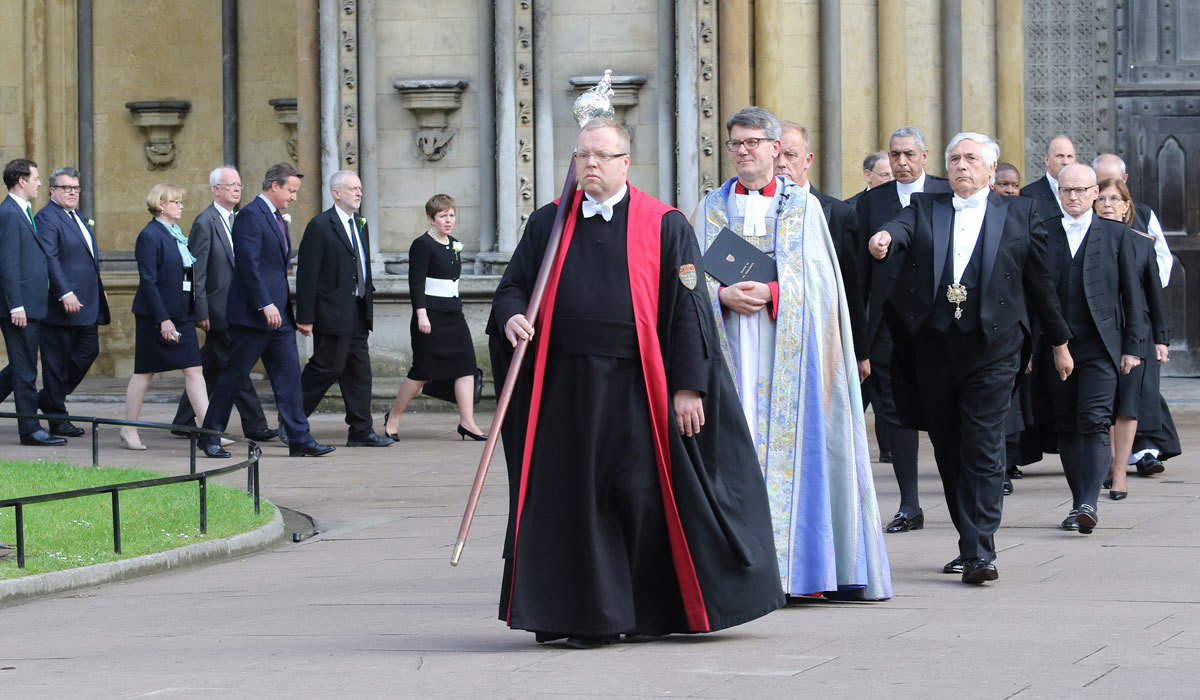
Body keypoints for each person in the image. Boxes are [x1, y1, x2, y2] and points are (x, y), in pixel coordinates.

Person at [488, 117, 783, 647]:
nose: (590, 165)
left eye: (601, 156)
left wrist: (690, 385)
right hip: (565, 392)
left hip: (638, 389)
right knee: (574, 503)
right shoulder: (548, 223)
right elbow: (513, 287)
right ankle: (582, 617)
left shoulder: (665, 224)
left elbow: (691, 308)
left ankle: (641, 612)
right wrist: (511, 316)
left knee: (638, 498)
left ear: (626, 162)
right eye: (582, 156)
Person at [700, 106, 890, 600]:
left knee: (800, 453)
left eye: (752, 143)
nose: (743, 152)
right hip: (729, 355)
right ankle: (739, 575)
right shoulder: (708, 210)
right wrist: (720, 296)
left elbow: (827, 291)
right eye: (735, 143)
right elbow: (683, 279)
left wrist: (774, 294)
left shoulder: (804, 209)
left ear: (774, 149)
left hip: (792, 360)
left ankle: (803, 574)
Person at [868, 132, 1073, 583]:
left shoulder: (1020, 212)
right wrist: (885, 235)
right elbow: (902, 226)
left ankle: (981, 550)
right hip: (935, 348)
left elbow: (1040, 283)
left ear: (989, 168)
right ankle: (969, 539)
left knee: (982, 443)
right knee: (947, 444)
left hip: (994, 347)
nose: (961, 165)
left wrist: (1059, 342)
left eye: (971, 159)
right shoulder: (928, 206)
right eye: (955, 158)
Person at [850, 126, 952, 534]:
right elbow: (857, 272)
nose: (902, 162)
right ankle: (909, 504)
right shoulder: (871, 203)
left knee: (949, 408)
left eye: (909, 154)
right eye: (895, 155)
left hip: (943, 320)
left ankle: (971, 489)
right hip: (890, 325)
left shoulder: (948, 194)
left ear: (925, 155)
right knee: (895, 413)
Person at [199, 163, 334, 458]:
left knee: (289, 378)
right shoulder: (250, 215)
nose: (294, 198)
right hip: (253, 316)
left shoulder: (276, 218)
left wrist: (286, 310)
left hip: (279, 317)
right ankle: (209, 435)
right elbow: (249, 265)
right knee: (234, 376)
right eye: (291, 191)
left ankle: (300, 439)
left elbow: (276, 269)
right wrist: (265, 303)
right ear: (275, 186)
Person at [1037, 164, 1144, 534]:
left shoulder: (1116, 235)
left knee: (1095, 421)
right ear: (1058, 193)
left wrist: (1133, 347)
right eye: (1067, 191)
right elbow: (1031, 292)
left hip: (1102, 345)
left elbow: (1133, 296)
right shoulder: (1043, 231)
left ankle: (1088, 503)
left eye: (1081, 190)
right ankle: (1077, 500)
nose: (1074, 197)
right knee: (1066, 423)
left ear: (1095, 192)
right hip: (1056, 346)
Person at [170, 167, 277, 443]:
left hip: (236, 307)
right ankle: (255, 424)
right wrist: (200, 309)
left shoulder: (238, 219)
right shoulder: (205, 222)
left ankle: (183, 419)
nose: (237, 189)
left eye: (239, 184)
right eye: (230, 184)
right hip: (217, 309)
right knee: (236, 364)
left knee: (211, 365)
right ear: (216, 189)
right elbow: (197, 270)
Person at [1092, 154, 1179, 474]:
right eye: (1100, 192)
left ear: (1126, 193)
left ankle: (1144, 452)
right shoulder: (1085, 233)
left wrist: (1161, 337)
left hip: (1137, 325)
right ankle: (1109, 461)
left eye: (1114, 195)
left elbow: (1159, 273)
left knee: (1140, 393)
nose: (1107, 201)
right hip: (1102, 327)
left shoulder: (1143, 220)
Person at [295, 170, 391, 447]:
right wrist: (306, 316)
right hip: (332, 311)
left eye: (360, 188)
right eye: (352, 189)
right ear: (336, 193)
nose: (359, 193)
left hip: (359, 309)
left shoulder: (360, 224)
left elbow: (361, 266)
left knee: (359, 371)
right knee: (326, 367)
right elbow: (308, 274)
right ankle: (293, 420)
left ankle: (361, 431)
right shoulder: (321, 225)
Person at [382, 194, 486, 442]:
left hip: (453, 316)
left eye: (451, 215)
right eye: (443, 216)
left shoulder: (455, 243)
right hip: (430, 316)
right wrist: (422, 314)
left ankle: (468, 422)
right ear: (431, 219)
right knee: (422, 370)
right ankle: (394, 416)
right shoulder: (422, 245)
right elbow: (416, 282)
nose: (448, 220)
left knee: (466, 367)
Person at [120, 184, 210, 450]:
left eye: (181, 201)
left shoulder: (175, 234)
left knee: (194, 370)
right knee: (144, 372)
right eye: (176, 201)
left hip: (181, 313)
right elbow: (148, 281)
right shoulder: (150, 235)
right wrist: (163, 320)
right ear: (161, 204)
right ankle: (129, 429)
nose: (181, 205)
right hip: (155, 316)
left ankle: (209, 432)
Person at [774, 121, 867, 365]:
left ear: (808, 160)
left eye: (790, 155)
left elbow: (851, 288)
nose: (781, 163)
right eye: (776, 154)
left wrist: (859, 352)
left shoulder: (838, 213)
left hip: (822, 338)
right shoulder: (750, 210)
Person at [35, 167, 110, 438]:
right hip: (60, 304)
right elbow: (50, 259)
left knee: (88, 351)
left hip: (88, 301)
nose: (73, 193)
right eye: (67, 188)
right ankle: (57, 418)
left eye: (76, 188)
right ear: (52, 190)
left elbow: (87, 258)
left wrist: (98, 288)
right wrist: (64, 292)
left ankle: (47, 399)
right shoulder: (46, 217)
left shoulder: (77, 216)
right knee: (55, 362)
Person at [0, 158, 63, 446]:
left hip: (31, 303)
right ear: (21, 180)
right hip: (20, 306)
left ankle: (29, 425)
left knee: (20, 365)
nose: (39, 183)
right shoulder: (11, 213)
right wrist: (16, 305)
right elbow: (8, 264)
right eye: (35, 178)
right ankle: (30, 430)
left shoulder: (21, 211)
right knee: (25, 369)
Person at [1021, 135, 1077, 222]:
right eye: (1060, 156)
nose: (1065, 162)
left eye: (1069, 156)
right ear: (1047, 160)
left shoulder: (1086, 192)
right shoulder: (1028, 195)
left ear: (1075, 161)